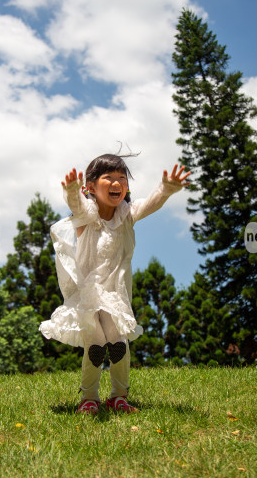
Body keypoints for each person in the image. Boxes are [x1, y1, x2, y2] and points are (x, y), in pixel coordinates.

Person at [40, 153, 190, 414]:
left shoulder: (126, 215)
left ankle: (119, 397)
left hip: (113, 294)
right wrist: (72, 191)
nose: (117, 183)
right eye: (108, 178)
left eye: (122, 178)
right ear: (90, 186)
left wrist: (165, 189)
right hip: (87, 293)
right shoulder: (87, 215)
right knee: (96, 343)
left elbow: (149, 204)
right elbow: (76, 204)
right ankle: (89, 399)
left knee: (119, 342)